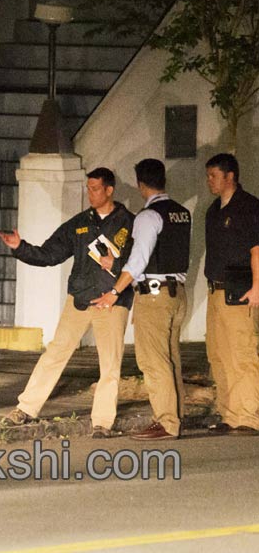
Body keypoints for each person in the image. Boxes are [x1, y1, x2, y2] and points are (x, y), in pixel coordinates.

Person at [0, 167, 134, 438]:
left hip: (111, 302)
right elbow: (50, 253)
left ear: (109, 190)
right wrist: (20, 247)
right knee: (56, 352)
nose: (90, 194)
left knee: (110, 363)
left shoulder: (129, 222)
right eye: (88, 188)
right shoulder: (80, 222)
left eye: (95, 189)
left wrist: (116, 280)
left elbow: (137, 262)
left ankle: (102, 422)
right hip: (80, 299)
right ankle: (26, 408)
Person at [91, 159, 190, 440]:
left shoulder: (148, 216)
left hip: (154, 296)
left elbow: (138, 262)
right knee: (170, 359)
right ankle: (177, 415)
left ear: (141, 184)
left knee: (153, 361)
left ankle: (167, 423)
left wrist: (113, 293)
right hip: (177, 293)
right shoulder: (181, 212)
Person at [202, 153, 259, 436]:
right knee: (218, 355)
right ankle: (228, 414)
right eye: (209, 175)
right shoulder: (214, 210)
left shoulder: (249, 208)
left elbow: (257, 249)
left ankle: (248, 416)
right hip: (215, 291)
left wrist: (257, 286)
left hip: (240, 290)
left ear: (230, 176)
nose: (209, 181)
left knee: (242, 354)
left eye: (214, 175)